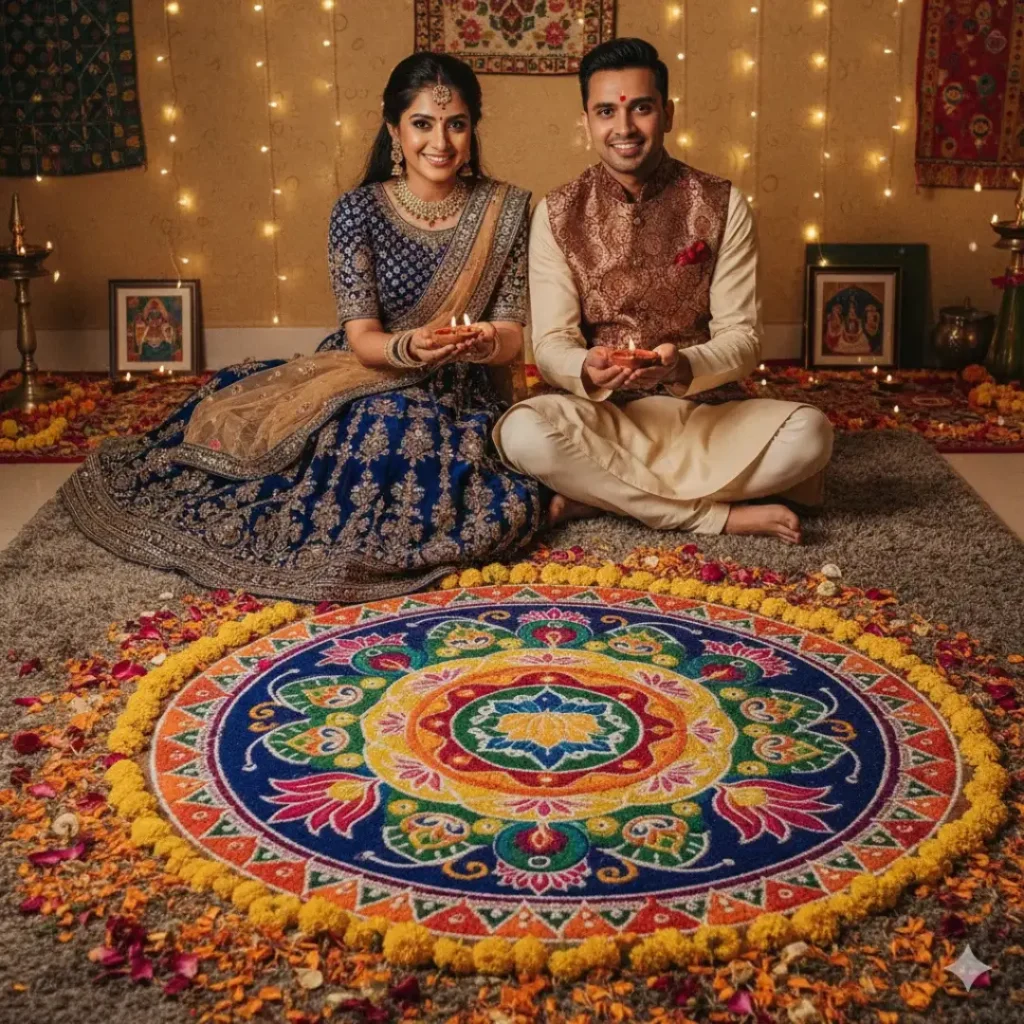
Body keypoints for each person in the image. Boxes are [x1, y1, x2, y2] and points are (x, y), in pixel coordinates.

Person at [63, 53, 541, 601]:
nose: (441, 141)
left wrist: (480, 342)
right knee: (334, 421)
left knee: (421, 449)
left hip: (457, 382)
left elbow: (509, 339)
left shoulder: (505, 212)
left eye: (456, 123)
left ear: (472, 128)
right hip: (365, 367)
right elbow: (363, 338)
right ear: (393, 130)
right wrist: (412, 346)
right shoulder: (356, 212)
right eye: (422, 123)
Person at [494, 38, 833, 545]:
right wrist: (586, 366)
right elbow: (551, 345)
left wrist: (683, 366)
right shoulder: (557, 213)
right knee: (523, 434)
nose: (624, 128)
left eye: (642, 108)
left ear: (667, 114)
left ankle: (602, 494)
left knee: (811, 434)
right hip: (603, 417)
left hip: (703, 415)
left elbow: (742, 337)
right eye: (606, 111)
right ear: (586, 122)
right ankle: (714, 515)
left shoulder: (722, 204)